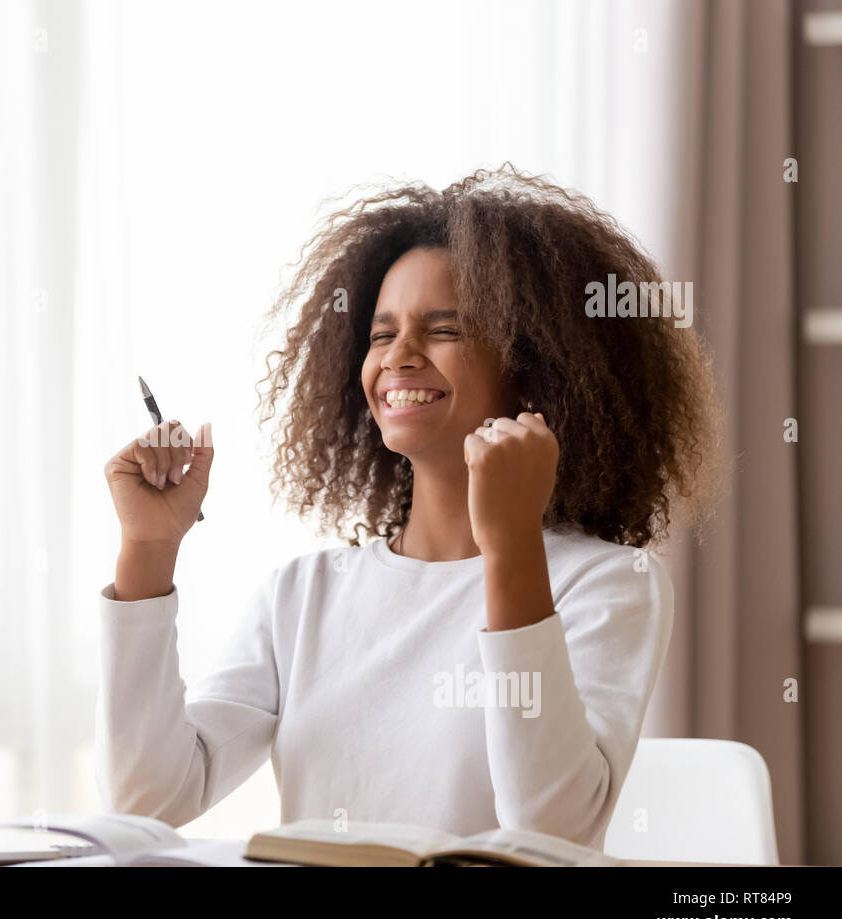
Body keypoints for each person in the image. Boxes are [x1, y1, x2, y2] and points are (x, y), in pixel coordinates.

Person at [97, 165, 724, 850]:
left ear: (537, 364)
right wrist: (148, 551)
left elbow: (549, 832)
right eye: (380, 334)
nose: (399, 357)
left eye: (444, 329)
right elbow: (146, 797)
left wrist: (512, 544)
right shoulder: (301, 596)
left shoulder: (605, 584)